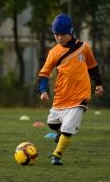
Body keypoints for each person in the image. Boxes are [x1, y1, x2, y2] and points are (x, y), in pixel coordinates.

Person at [37, 14, 104, 165]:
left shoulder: (83, 47)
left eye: (63, 34)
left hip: (81, 95)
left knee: (68, 127)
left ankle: (57, 155)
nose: (59, 37)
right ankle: (59, 134)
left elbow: (93, 67)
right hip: (61, 95)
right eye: (56, 34)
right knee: (52, 123)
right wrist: (43, 90)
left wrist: (98, 84)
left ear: (71, 32)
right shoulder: (54, 52)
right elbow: (44, 73)